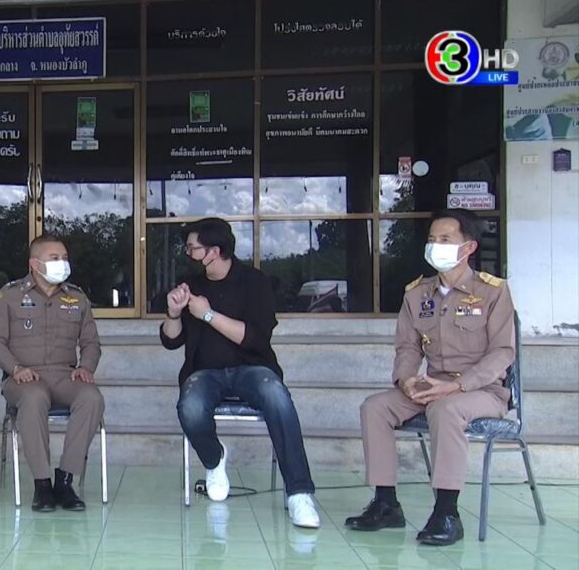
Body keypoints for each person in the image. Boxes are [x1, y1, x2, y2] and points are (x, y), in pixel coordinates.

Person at [346, 209, 514, 546]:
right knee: (375, 407)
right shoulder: (417, 293)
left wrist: (457, 386)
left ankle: (447, 513)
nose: (436, 246)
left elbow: (503, 353)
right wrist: (406, 379)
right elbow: (408, 347)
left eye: (446, 239)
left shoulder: (493, 292)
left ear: (469, 247)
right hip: (432, 385)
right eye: (432, 239)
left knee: (445, 409)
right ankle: (386, 503)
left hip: (482, 390)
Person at [160, 218, 320, 529]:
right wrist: (173, 312)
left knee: (277, 396)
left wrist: (208, 314)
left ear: (214, 251)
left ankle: (300, 493)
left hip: (252, 369)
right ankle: (214, 459)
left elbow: (256, 338)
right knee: (190, 406)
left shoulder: (255, 283)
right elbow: (171, 340)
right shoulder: (191, 284)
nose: (188, 254)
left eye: (193, 248)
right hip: (204, 373)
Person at [0, 235, 104, 512]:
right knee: (34, 397)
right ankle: (42, 484)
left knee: (92, 398)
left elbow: (91, 343)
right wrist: (15, 368)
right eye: (54, 258)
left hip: (65, 376)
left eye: (64, 258)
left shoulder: (77, 297)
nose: (62, 263)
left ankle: (65, 480)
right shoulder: (9, 296)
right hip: (23, 377)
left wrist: (86, 367)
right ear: (34, 264)